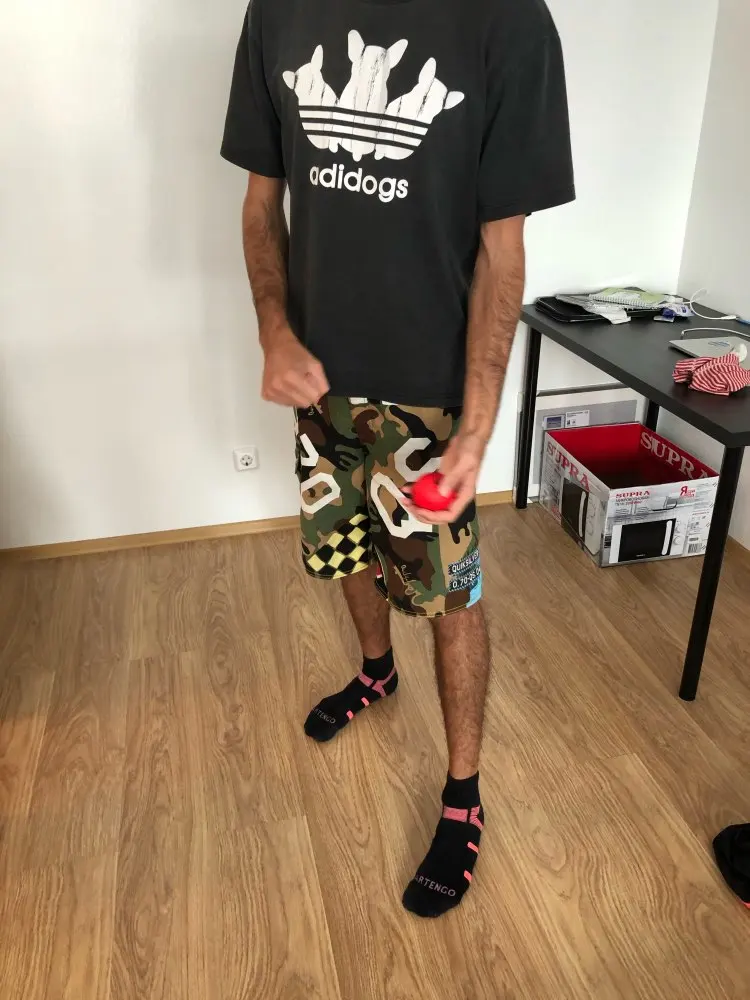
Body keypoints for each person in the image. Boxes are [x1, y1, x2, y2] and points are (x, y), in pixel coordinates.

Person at [221, 0, 574, 918]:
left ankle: (463, 794)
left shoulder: (508, 22)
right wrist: (272, 331)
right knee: (346, 550)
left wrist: (477, 425)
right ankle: (376, 672)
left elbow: (503, 249)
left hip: (430, 394)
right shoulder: (277, 11)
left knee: (449, 596)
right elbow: (261, 202)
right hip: (318, 379)